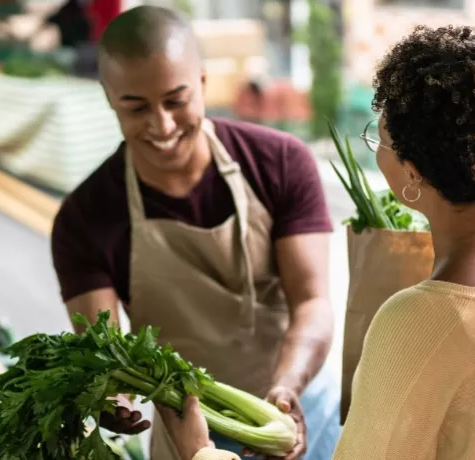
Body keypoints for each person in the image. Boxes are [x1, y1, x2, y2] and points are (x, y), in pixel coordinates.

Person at [167, 24, 475, 460]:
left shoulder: (416, 322)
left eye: (380, 136)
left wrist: (201, 453)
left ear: (414, 173)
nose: (375, 147)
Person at [50, 6, 341, 460]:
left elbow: (312, 302)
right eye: (136, 107)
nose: (162, 125)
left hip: (296, 411)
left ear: (203, 83)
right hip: (189, 435)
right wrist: (115, 402)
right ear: (109, 97)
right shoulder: (84, 218)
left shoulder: (281, 162)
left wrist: (287, 388)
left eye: (176, 100)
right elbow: (103, 353)